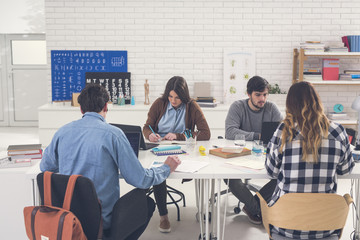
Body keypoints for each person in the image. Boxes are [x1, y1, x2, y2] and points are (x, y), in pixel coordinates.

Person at [40, 83, 181, 240]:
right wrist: (166, 168)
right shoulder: (114, 135)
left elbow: (45, 167)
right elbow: (140, 179)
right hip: (102, 224)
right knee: (145, 201)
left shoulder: (62, 132)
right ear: (106, 107)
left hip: (69, 220)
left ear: (81, 109)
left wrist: (72, 159)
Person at [265, 81, 354, 239]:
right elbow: (346, 170)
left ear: (290, 105)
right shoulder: (338, 131)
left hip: (286, 227)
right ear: (317, 102)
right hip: (326, 226)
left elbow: (272, 171)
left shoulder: (283, 131)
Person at [143, 76, 211, 233]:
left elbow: (205, 133)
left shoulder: (192, 106)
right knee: (158, 170)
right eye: (170, 96)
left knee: (200, 169)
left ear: (184, 96)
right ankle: (164, 217)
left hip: (183, 150)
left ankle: (201, 210)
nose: (173, 101)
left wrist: (179, 136)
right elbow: (147, 127)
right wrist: (150, 135)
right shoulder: (159, 104)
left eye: (177, 98)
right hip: (158, 148)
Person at [224, 75, 283, 224]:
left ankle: (253, 207)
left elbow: (284, 130)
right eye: (258, 95)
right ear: (249, 94)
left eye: (265, 95)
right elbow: (230, 132)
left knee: (284, 174)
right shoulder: (238, 106)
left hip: (265, 154)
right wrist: (259, 136)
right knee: (229, 176)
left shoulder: (271, 108)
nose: (262, 99)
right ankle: (258, 210)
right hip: (239, 154)